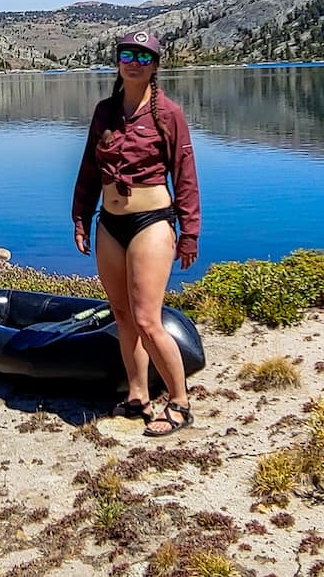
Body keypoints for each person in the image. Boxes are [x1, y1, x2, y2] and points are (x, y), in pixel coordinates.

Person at [72, 30, 200, 437]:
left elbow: (185, 174)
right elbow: (89, 169)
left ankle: (179, 401)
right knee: (123, 315)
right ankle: (138, 394)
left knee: (147, 319)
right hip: (109, 224)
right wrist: (80, 217)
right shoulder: (104, 112)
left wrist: (189, 232)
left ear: (156, 66)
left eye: (144, 57)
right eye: (127, 55)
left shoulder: (169, 115)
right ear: (117, 62)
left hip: (152, 223)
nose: (134, 62)